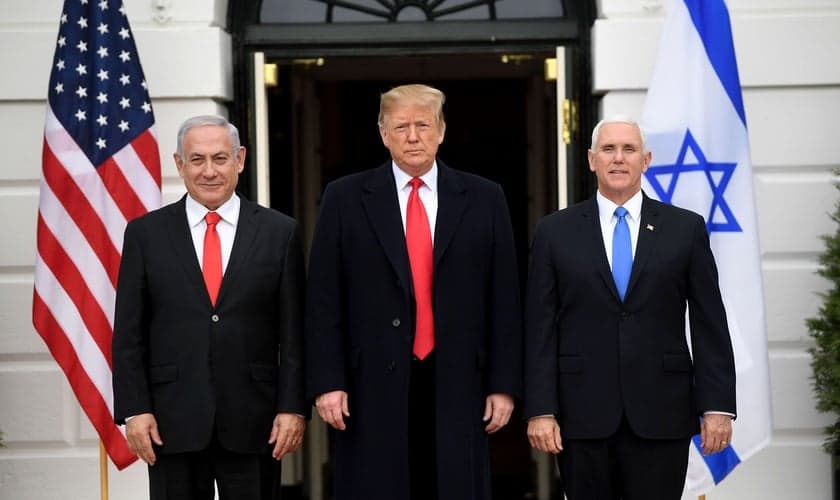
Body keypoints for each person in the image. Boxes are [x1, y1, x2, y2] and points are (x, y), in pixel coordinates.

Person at [304, 84, 522, 500]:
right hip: (370, 384)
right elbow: (324, 299)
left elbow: (504, 298)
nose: (412, 136)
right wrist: (327, 381)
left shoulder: (484, 197)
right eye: (400, 126)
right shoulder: (345, 198)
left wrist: (503, 383)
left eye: (423, 125)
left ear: (441, 130)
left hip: (460, 379)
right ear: (382, 134)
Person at [523, 116, 736, 499]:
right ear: (591, 159)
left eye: (629, 149)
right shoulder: (555, 231)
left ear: (646, 159)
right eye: (608, 149)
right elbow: (540, 327)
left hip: (661, 412)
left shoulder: (684, 229)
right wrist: (541, 409)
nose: (618, 158)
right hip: (581, 414)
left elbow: (709, 322)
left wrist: (717, 405)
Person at [112, 115, 306, 500]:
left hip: (257, 422)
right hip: (170, 422)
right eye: (197, 159)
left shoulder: (279, 232)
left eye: (220, 158)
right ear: (179, 164)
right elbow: (129, 333)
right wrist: (135, 410)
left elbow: (295, 332)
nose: (209, 171)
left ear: (240, 159)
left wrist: (293, 407)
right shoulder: (145, 235)